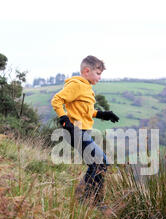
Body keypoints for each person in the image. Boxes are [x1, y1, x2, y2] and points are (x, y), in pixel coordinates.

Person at [51, 55, 119, 205]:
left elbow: (84, 110)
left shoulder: (87, 87)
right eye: (98, 74)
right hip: (75, 131)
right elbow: (56, 100)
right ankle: (92, 202)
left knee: (97, 165)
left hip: (82, 131)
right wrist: (64, 119)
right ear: (87, 70)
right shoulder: (77, 85)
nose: (100, 78)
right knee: (102, 163)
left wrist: (102, 114)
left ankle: (81, 199)